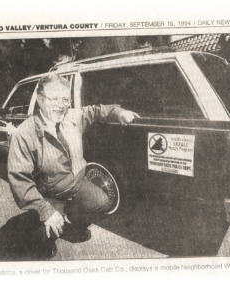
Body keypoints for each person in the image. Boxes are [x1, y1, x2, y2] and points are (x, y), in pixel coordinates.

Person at [7, 73, 139, 257]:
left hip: (77, 184)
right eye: (54, 99)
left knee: (102, 203)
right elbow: (19, 180)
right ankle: (45, 234)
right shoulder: (24, 134)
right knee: (44, 234)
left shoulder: (72, 116)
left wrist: (118, 113)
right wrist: (46, 211)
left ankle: (70, 225)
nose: (60, 105)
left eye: (64, 99)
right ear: (40, 99)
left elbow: (94, 111)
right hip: (49, 194)